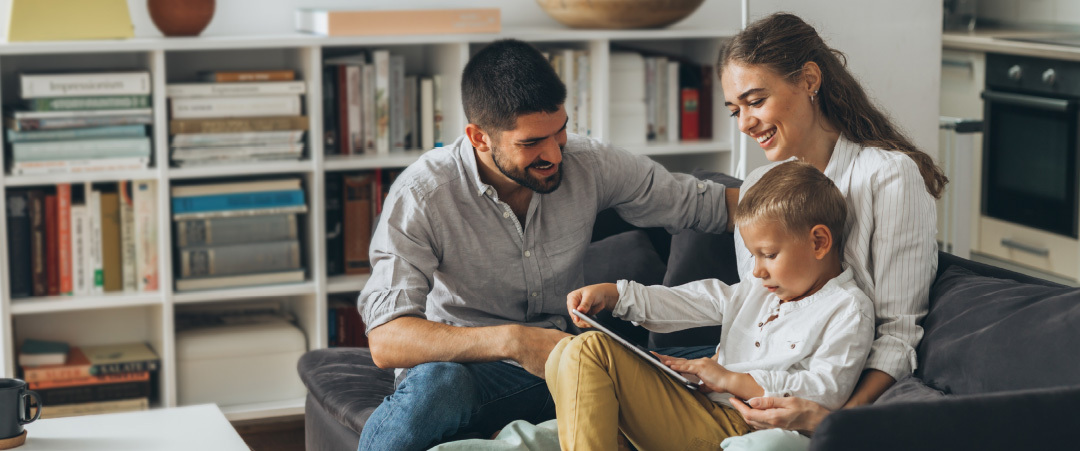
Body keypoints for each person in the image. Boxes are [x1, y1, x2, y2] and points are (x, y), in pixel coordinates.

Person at [356, 39, 737, 450]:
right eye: (531, 143)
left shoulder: (589, 163)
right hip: (471, 373)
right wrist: (515, 341)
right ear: (479, 138)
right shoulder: (424, 193)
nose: (554, 154)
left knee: (717, 356)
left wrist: (807, 200)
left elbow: (707, 204)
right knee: (439, 381)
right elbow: (386, 339)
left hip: (567, 364)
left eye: (560, 131)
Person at [716, 12, 946, 447]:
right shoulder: (756, 187)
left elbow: (898, 332)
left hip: (828, 399)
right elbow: (755, 307)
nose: (745, 123)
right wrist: (725, 377)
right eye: (735, 110)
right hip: (752, 392)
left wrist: (832, 421)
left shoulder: (889, 177)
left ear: (808, 80)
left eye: (756, 101)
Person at [546, 160, 876, 450]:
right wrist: (616, 295)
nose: (757, 270)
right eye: (753, 256)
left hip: (743, 428)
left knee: (588, 351)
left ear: (819, 242)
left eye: (769, 255)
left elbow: (826, 392)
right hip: (702, 408)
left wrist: (730, 378)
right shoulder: (758, 290)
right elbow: (690, 300)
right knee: (566, 352)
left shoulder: (847, 308)